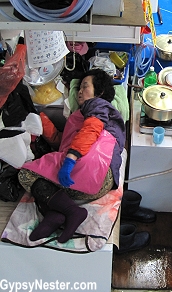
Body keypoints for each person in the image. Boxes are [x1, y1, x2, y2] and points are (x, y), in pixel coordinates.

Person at [18, 68, 126, 243]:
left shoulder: (98, 105)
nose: (80, 91)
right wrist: (43, 123)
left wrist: (70, 159)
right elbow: (65, 142)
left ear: (100, 92)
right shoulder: (82, 115)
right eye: (79, 88)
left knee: (26, 174)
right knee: (47, 178)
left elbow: (91, 130)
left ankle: (71, 212)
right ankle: (54, 215)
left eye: (85, 86)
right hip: (99, 185)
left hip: (90, 168)